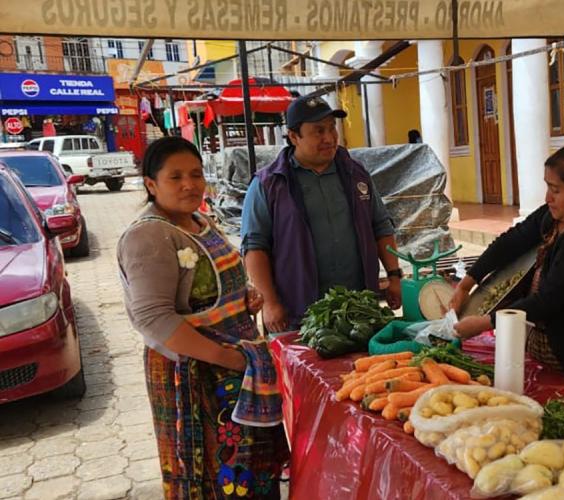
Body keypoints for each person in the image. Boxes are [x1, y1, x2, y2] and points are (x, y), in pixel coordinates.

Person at [118, 137, 288, 498]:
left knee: (250, 471)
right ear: (151, 184)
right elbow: (153, 318)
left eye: (195, 174)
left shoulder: (199, 220)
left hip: (235, 370)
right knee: (215, 476)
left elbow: (211, 289)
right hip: (194, 377)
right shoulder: (150, 236)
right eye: (175, 177)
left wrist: (244, 298)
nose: (189, 184)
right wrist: (228, 359)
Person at [451, 143, 564, 394]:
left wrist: (486, 322)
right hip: (553, 357)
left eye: (556, 190)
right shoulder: (554, 216)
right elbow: (512, 241)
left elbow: (548, 301)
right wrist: (467, 283)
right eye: (547, 186)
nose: (547, 197)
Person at [240, 94, 402, 332]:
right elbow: (254, 248)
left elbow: (380, 226)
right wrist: (270, 303)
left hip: (359, 308)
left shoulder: (355, 173)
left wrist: (394, 276)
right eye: (318, 131)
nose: (329, 138)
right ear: (294, 136)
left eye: (331, 128)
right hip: (299, 313)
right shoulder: (269, 184)